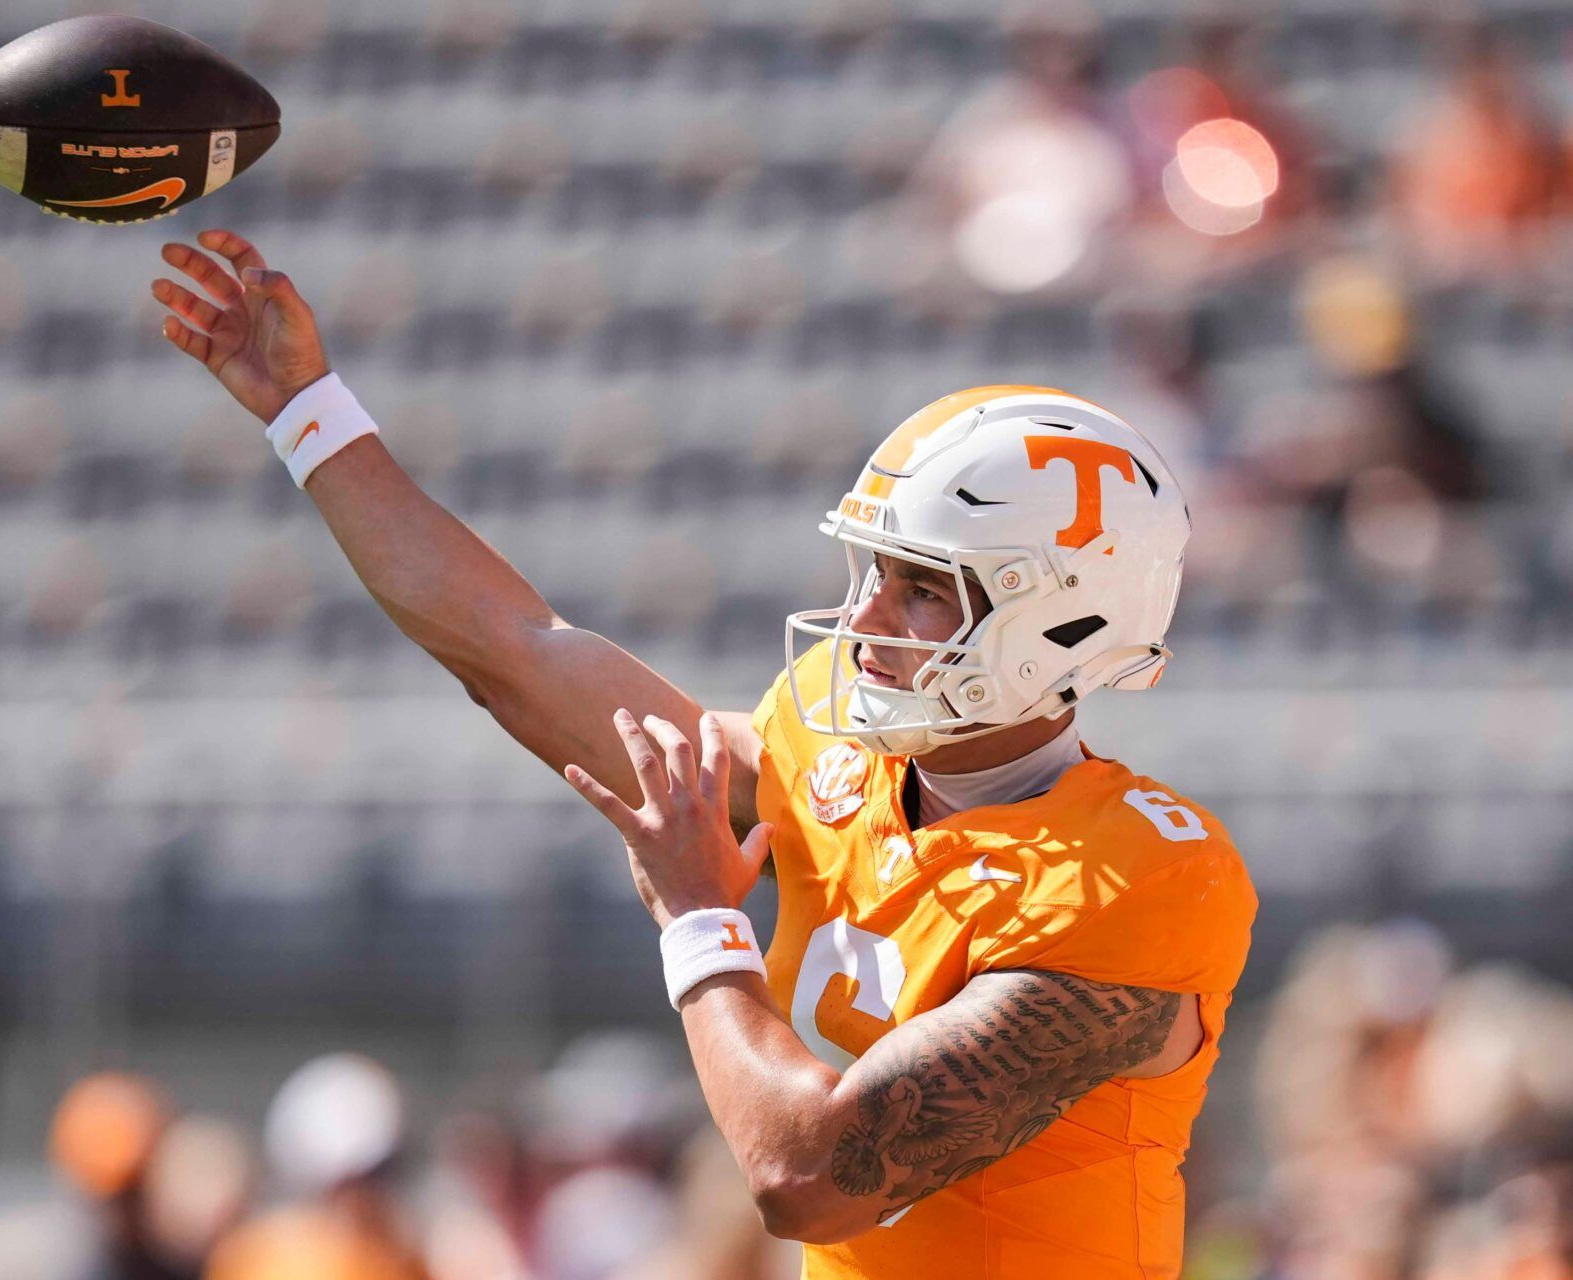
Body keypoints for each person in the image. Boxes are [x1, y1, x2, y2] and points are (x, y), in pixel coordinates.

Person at [152, 228, 1258, 1278]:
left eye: (921, 588)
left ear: (1061, 621)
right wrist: (308, 412)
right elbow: (516, 655)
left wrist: (700, 928)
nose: (865, 619)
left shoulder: (1139, 878)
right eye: (873, 570)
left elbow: (814, 1173)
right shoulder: (835, 748)